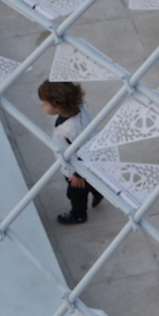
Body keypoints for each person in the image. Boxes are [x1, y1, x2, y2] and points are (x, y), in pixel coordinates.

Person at [38, 80, 104, 225]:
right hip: (85, 167)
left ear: (60, 108)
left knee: (75, 194)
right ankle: (98, 192)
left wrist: (79, 174)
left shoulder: (72, 130)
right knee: (91, 183)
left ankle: (78, 215)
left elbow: (86, 151)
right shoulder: (78, 109)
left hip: (77, 170)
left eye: (45, 103)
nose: (41, 104)